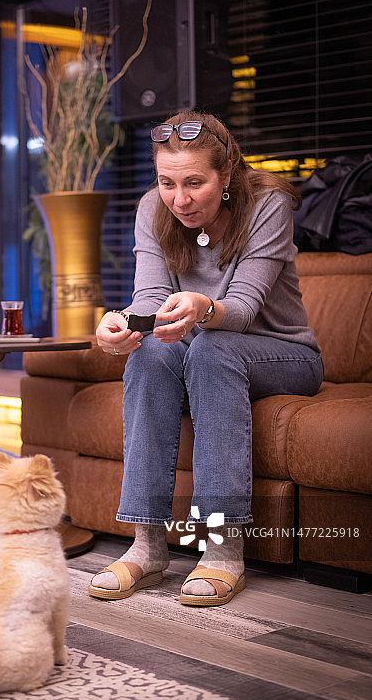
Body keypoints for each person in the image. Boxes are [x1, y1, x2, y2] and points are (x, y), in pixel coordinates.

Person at [88, 109, 323, 607]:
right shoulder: (154, 208)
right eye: (168, 183)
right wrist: (122, 321)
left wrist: (202, 308)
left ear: (228, 175)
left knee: (214, 347)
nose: (180, 199)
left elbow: (239, 311)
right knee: (150, 353)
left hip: (285, 354)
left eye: (194, 182)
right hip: (204, 349)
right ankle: (147, 545)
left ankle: (221, 546)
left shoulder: (268, 205)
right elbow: (150, 296)